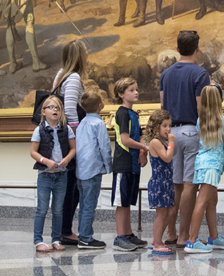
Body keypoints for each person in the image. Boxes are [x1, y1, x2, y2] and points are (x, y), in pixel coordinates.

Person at [159, 30, 211, 246]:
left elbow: (163, 107)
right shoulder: (200, 73)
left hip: (171, 132)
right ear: (197, 48)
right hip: (191, 130)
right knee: (190, 185)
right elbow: (201, 107)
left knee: (174, 184)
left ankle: (170, 233)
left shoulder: (166, 73)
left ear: (177, 48)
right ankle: (183, 236)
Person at [184, 85, 224, 253]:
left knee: (212, 202)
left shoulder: (200, 120)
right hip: (213, 166)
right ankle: (192, 241)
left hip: (201, 164)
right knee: (202, 202)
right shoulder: (223, 120)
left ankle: (214, 237)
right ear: (219, 99)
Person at [30, 95, 75, 253]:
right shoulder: (39, 130)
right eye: (51, 107)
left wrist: (67, 159)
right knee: (42, 208)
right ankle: (38, 240)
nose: (54, 110)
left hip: (61, 175)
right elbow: (33, 152)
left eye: (57, 107)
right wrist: (45, 161)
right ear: (43, 112)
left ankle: (56, 238)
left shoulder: (66, 128)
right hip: (45, 175)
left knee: (58, 209)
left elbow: (73, 149)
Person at [53, 40, 87, 246]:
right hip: (70, 138)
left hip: (63, 138)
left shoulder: (60, 75)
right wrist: (77, 140)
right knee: (71, 186)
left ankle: (62, 229)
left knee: (65, 186)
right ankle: (65, 230)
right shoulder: (73, 78)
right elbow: (71, 110)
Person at [111, 77, 149, 251]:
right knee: (121, 201)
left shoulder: (134, 114)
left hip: (133, 162)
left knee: (127, 200)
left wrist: (142, 152)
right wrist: (144, 146)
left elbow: (139, 135)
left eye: (136, 89)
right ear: (121, 94)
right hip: (123, 162)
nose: (136, 92)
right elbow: (125, 140)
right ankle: (120, 237)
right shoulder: (122, 113)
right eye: (131, 90)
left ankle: (128, 233)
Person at [73, 88, 112, 250]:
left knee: (84, 204)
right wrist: (109, 165)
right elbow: (104, 146)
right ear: (101, 106)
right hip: (93, 169)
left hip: (80, 170)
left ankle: (83, 234)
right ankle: (86, 237)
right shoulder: (99, 123)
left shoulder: (81, 123)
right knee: (90, 204)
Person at [143, 109, 176, 255]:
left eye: (169, 125)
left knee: (168, 213)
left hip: (166, 182)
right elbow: (167, 157)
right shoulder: (156, 142)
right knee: (161, 214)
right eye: (164, 125)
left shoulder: (161, 141)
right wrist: (172, 143)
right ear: (156, 127)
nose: (168, 129)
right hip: (159, 183)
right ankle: (156, 242)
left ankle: (158, 239)